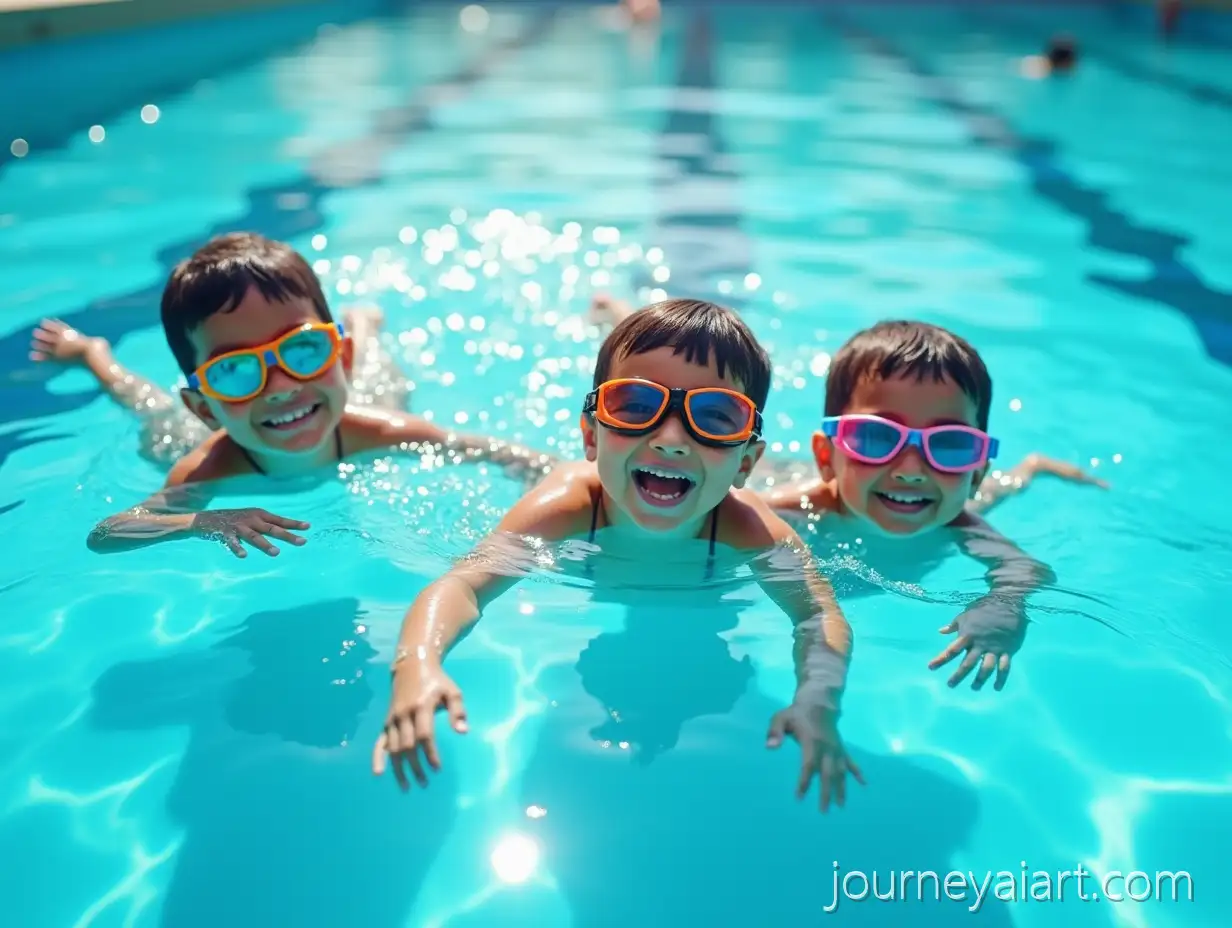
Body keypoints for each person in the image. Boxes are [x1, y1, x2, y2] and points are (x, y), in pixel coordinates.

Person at [372, 299, 864, 811]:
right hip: (545, 473)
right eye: (633, 405)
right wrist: (417, 664)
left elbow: (817, 613)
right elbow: (462, 585)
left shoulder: (751, 527)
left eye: (716, 417)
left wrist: (818, 699)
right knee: (469, 447)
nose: (671, 439)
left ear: (745, 462)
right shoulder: (567, 508)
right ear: (590, 435)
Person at [589, 299, 1107, 690]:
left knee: (1001, 494)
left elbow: (1024, 571)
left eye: (950, 447)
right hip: (763, 471)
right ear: (827, 456)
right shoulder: (783, 510)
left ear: (975, 468)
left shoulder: (963, 520)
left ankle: (1032, 466)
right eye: (876, 438)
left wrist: (1003, 608)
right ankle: (619, 319)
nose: (911, 469)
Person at [30, 232, 550, 557]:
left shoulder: (378, 429)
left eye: (302, 351)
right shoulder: (205, 470)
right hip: (200, 436)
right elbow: (108, 532)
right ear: (207, 407)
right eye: (234, 371)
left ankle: (362, 329)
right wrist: (201, 520)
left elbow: (497, 450)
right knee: (148, 410)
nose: (280, 387)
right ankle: (93, 355)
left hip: (356, 398)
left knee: (382, 380)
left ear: (333, 358)